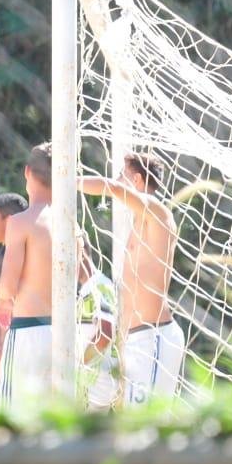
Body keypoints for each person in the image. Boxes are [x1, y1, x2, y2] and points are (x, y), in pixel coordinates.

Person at [77, 153, 184, 403]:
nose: (117, 180)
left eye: (121, 175)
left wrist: (67, 181)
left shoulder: (159, 213)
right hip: (137, 340)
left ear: (136, 179)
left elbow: (112, 188)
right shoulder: (138, 224)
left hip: (154, 336)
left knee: (145, 428)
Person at [0, 143, 54, 407]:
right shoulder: (70, 223)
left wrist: (2, 301)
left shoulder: (21, 222)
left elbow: (7, 286)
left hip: (27, 332)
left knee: (11, 419)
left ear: (27, 172)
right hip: (62, 334)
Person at [0, 192, 27, 388]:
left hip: (14, 348)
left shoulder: (14, 256)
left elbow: (7, 310)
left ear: (9, 221)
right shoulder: (5, 251)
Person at [77, 244, 117, 411]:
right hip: (88, 383)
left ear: (81, 252)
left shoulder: (100, 285)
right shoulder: (84, 290)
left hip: (97, 384)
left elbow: (105, 335)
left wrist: (80, 366)